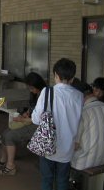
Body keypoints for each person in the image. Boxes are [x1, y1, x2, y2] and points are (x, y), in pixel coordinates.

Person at [31, 58, 84, 190]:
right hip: (67, 146)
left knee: (47, 179)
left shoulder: (47, 92)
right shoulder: (79, 96)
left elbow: (36, 120)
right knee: (62, 180)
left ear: (55, 75)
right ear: (72, 78)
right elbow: (80, 121)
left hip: (48, 144)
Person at [0, 72, 47, 175]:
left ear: (37, 85)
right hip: (29, 122)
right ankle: (3, 160)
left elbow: (38, 119)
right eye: (29, 88)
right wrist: (26, 114)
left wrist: (22, 120)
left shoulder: (45, 95)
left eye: (31, 88)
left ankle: (11, 167)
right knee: (4, 133)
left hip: (38, 126)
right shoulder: (35, 94)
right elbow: (32, 110)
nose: (30, 90)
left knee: (9, 136)